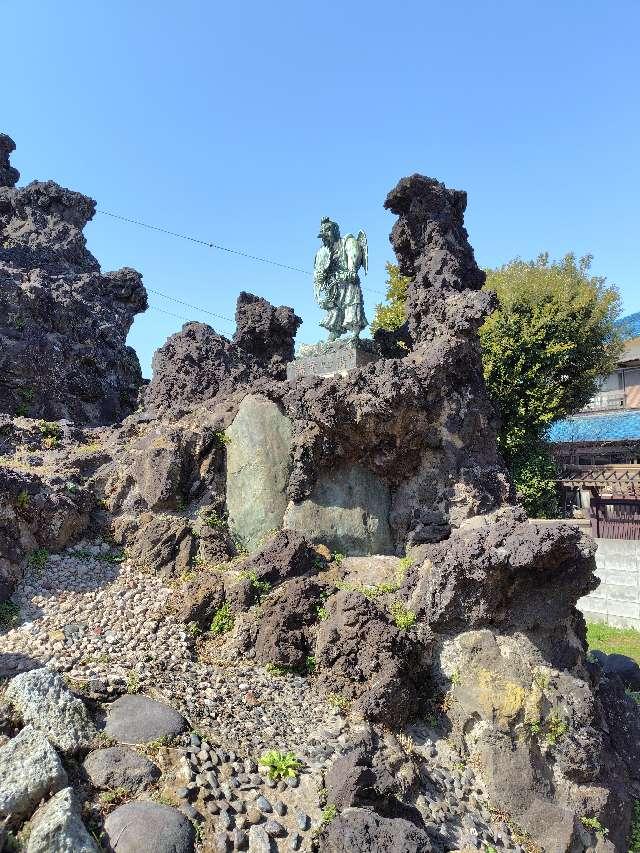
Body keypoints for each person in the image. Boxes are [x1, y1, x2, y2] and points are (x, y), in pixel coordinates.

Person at [313, 217, 368, 340]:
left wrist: (351, 271)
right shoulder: (324, 251)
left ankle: (354, 331)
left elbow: (353, 256)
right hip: (334, 284)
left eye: (327, 232)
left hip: (348, 281)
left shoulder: (348, 241)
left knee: (351, 303)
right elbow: (320, 270)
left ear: (335, 231)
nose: (325, 237)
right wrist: (322, 277)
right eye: (323, 235)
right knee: (333, 307)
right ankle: (335, 330)